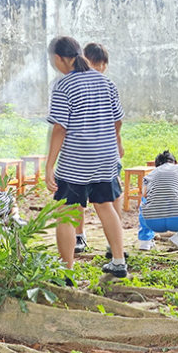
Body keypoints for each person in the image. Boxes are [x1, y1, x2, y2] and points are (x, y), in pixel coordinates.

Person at [45, 36, 128, 278]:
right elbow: (118, 120)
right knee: (105, 205)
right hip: (105, 157)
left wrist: (50, 166)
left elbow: (60, 128)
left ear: (59, 58)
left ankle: (67, 270)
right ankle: (119, 261)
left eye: (53, 60)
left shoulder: (63, 85)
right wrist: (115, 142)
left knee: (66, 211)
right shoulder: (106, 82)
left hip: (76, 159)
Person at [72, 42, 126, 257]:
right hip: (92, 152)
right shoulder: (83, 84)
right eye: (97, 63)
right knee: (91, 197)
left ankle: (105, 241)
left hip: (94, 153)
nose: (100, 68)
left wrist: (117, 141)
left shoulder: (102, 85)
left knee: (106, 195)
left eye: (102, 64)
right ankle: (87, 237)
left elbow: (117, 120)